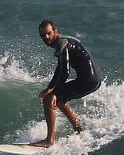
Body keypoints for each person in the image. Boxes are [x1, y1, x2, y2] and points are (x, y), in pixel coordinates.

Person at [31, 19, 102, 147]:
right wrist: (50, 87)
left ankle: (49, 140)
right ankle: (79, 130)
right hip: (93, 79)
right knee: (59, 100)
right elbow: (60, 69)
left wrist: (54, 92)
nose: (46, 37)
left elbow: (65, 72)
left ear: (55, 32)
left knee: (49, 99)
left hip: (88, 80)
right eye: (42, 35)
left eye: (48, 33)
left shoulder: (62, 43)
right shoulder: (63, 41)